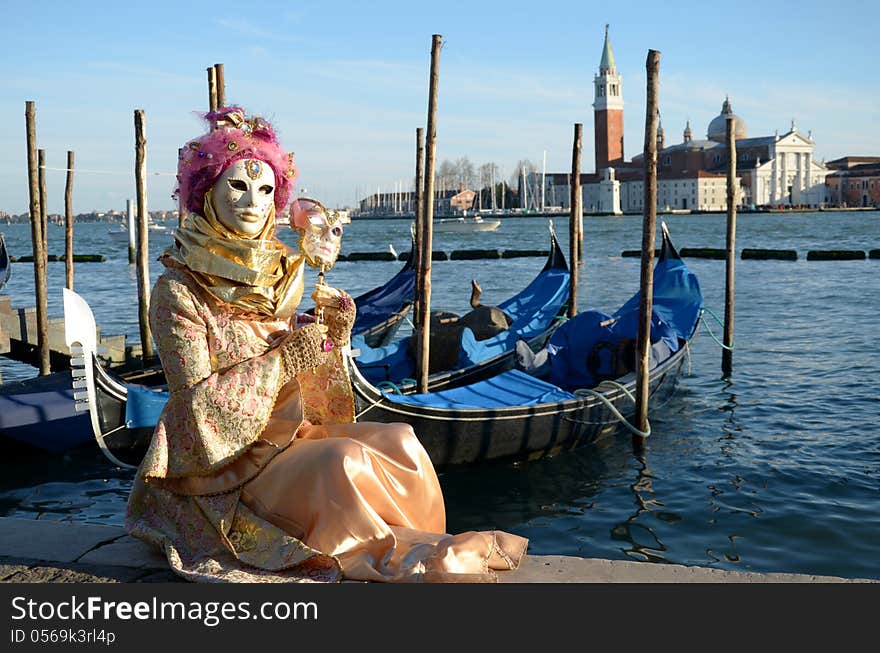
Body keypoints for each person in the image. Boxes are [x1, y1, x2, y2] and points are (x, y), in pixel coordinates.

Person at [125, 106, 527, 583]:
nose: (253, 201)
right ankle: (390, 551)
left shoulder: (279, 274)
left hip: (287, 433)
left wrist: (328, 338)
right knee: (344, 460)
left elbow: (306, 383)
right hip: (223, 469)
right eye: (237, 186)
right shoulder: (178, 290)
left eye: (265, 189)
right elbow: (195, 407)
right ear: (207, 190)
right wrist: (285, 359)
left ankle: (413, 539)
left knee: (401, 441)